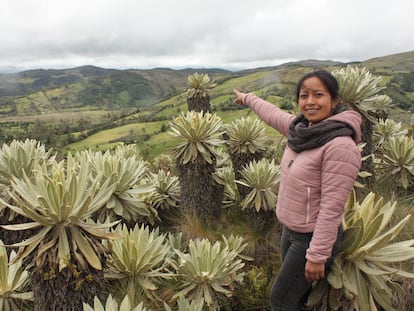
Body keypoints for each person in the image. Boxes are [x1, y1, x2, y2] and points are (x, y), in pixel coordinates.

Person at [233, 70, 362, 311]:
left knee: (281, 301)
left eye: (318, 95)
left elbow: (332, 207)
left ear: (335, 100)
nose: (310, 102)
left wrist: (317, 255)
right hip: (290, 231)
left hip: (311, 238)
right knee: (297, 298)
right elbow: (273, 114)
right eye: (304, 96)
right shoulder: (301, 130)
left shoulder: (340, 146)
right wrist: (247, 98)